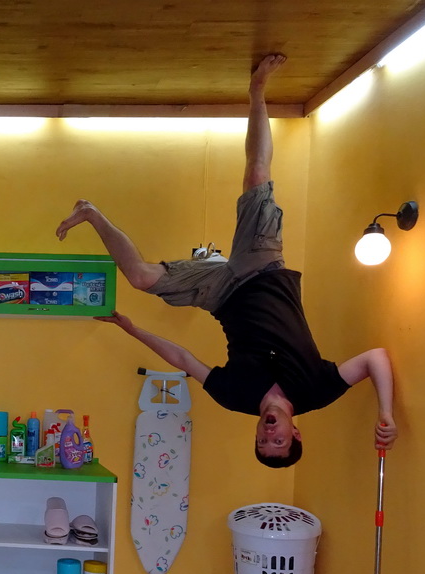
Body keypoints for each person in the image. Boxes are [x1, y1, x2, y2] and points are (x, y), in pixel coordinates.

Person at [54, 54, 397, 467]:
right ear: (295, 432)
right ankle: (257, 92)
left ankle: (90, 212)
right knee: (256, 175)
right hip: (264, 269)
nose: (269, 435)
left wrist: (132, 330)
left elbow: (183, 360)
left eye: (262, 443)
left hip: (222, 295)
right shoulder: (317, 390)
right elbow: (376, 357)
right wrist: (385, 413)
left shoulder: (235, 397)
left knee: (141, 278)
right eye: (279, 441)